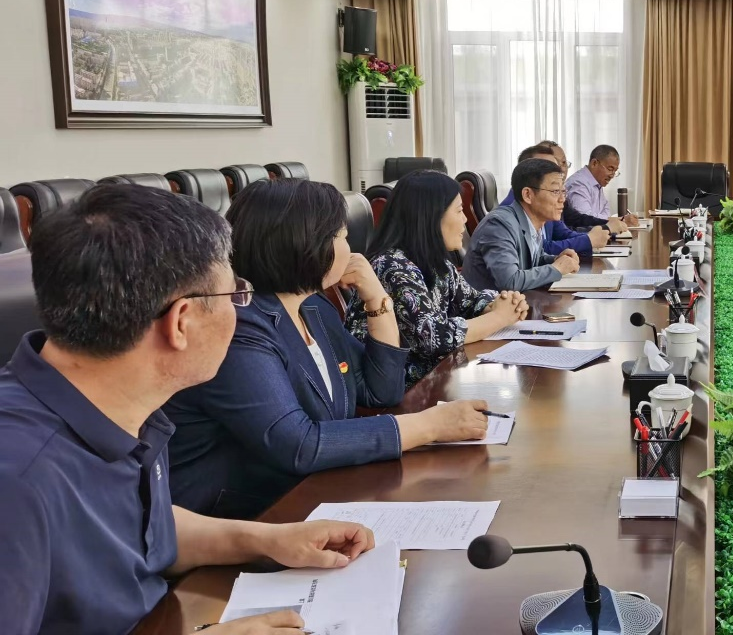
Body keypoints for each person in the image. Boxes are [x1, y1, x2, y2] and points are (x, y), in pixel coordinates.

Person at [0, 183, 378, 634]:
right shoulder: (19, 478)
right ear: (182, 322)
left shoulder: (128, 408)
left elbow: (143, 530)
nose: (242, 310)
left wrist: (269, 539)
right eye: (235, 295)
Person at [164, 179, 491, 519]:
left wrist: (377, 298)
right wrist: (429, 426)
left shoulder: (314, 308)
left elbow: (381, 390)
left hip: (314, 494)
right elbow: (299, 444)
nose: (352, 250)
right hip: (241, 516)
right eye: (343, 237)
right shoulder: (241, 327)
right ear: (307, 244)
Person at [348, 170, 530, 386]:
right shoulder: (392, 266)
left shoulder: (435, 262)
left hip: (433, 382)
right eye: (459, 211)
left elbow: (470, 301)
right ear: (431, 217)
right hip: (399, 392)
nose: (465, 219)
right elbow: (434, 337)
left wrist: (501, 303)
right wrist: (500, 317)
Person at [464, 157, 583, 292]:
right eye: (555, 191)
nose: (562, 199)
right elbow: (510, 281)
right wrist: (557, 268)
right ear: (527, 195)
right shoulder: (499, 225)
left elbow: (531, 261)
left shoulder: (533, 221)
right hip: (486, 304)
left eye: (563, 192)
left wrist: (556, 259)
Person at [502, 145, 611, 255]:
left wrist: (601, 234)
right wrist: (588, 240)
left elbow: (563, 235)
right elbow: (540, 249)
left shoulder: (545, 207)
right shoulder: (506, 220)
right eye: (544, 167)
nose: (557, 171)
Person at [564, 144, 640, 229]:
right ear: (594, 163)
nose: (612, 175)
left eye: (615, 171)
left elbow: (606, 213)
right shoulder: (578, 183)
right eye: (610, 169)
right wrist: (620, 220)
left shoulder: (596, 183)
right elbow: (585, 218)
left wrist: (614, 220)